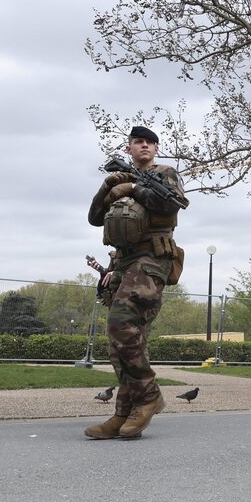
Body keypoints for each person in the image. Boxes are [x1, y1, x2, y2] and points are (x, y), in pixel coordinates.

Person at [84, 126, 186, 440]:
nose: (144, 146)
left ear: (156, 149)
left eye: (149, 143)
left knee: (121, 321)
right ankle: (123, 413)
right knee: (119, 345)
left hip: (152, 258)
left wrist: (131, 188)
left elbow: (171, 204)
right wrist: (109, 187)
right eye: (138, 142)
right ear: (129, 149)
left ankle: (149, 396)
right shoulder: (118, 176)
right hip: (124, 261)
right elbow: (94, 217)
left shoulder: (165, 173)